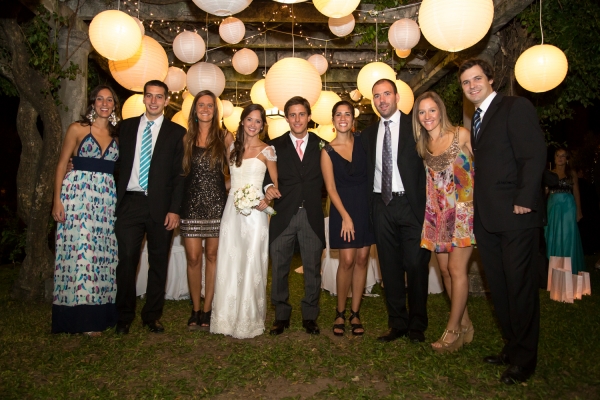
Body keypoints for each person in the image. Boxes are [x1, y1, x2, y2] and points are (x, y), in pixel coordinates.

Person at [459, 58, 546, 384]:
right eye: (466, 83)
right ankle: (512, 347)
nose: (471, 86)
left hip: (516, 216)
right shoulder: (477, 119)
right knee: (501, 288)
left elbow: (534, 153)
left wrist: (525, 199)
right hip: (489, 219)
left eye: (476, 79)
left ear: (490, 78)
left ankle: (525, 360)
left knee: (520, 288)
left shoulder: (515, 107)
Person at [360, 79, 431, 343]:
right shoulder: (368, 135)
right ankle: (397, 323)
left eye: (386, 94)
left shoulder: (416, 126)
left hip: (411, 206)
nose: (382, 100)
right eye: (377, 96)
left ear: (397, 96)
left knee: (415, 264)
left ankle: (417, 325)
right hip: (381, 205)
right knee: (388, 267)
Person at [114, 80, 186, 334]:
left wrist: (175, 209)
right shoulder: (126, 127)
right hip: (130, 203)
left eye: (159, 97)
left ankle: (152, 316)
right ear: (143, 98)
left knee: (158, 263)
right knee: (126, 261)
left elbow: (180, 175)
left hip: (162, 207)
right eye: (149, 96)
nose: (154, 101)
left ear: (167, 100)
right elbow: (112, 159)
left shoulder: (177, 133)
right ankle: (123, 316)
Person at [51, 85, 120, 335]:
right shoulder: (77, 129)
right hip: (77, 197)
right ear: (92, 103)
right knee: (80, 254)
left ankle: (100, 314)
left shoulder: (117, 134)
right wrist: (56, 200)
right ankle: (80, 320)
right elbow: (61, 164)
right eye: (99, 99)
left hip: (105, 200)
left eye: (109, 100)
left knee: (103, 255)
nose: (104, 103)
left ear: (114, 105)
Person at [413, 91, 475, 353]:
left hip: (463, 211)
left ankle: (452, 332)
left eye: (432, 110)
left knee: (458, 270)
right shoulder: (423, 146)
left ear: (441, 111)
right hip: (437, 215)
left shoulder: (461, 134)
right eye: (422, 112)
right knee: (446, 271)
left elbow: (482, 168)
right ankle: (466, 324)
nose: (427, 116)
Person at [210, 104, 278, 338]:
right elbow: (230, 181)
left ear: (262, 125)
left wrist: (267, 198)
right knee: (229, 262)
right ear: (242, 122)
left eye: (258, 121)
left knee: (250, 263)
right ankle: (226, 319)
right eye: (249, 120)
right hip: (232, 211)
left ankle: (248, 320)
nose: (253, 125)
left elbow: (274, 185)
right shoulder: (232, 148)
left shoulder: (267, 150)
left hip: (255, 214)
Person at [264, 96, 326, 336]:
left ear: (309, 117)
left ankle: (310, 316)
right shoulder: (274, 146)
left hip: (311, 214)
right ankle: (281, 315)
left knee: (312, 267)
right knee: (279, 266)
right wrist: (267, 188)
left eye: (302, 114)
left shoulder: (323, 145)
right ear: (287, 117)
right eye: (292, 114)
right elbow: (265, 177)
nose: (297, 119)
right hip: (283, 215)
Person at [179, 90, 233, 331]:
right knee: (193, 258)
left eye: (210, 105)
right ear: (194, 109)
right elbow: (178, 174)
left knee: (212, 257)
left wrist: (226, 189)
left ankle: (208, 309)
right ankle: (195, 308)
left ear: (215, 110)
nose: (205, 109)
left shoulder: (225, 137)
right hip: (190, 206)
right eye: (201, 105)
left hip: (217, 207)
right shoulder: (185, 138)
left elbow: (237, 171)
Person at [321, 100, 375, 336]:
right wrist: (345, 216)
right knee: (347, 260)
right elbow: (331, 189)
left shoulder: (363, 143)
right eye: (338, 115)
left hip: (366, 206)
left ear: (353, 120)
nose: (343, 118)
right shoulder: (327, 151)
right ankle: (340, 312)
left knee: (363, 259)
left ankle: (355, 313)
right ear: (333, 121)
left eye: (347, 114)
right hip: (343, 210)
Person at [545, 148, 585, 274]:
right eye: (558, 155)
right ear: (554, 158)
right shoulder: (549, 173)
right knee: (554, 235)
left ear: (567, 159)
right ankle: (555, 272)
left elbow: (577, 192)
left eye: (563, 156)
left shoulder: (571, 173)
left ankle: (569, 271)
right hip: (553, 207)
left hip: (568, 207)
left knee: (568, 236)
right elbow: (545, 193)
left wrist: (579, 211)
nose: (560, 158)